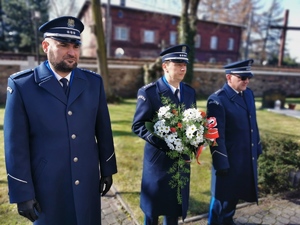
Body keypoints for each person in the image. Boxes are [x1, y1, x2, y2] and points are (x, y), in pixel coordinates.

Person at [4, 16, 117, 225]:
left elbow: (103, 129)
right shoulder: (22, 85)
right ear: (46, 46)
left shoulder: (93, 83)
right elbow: (15, 145)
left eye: (76, 45)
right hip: (48, 185)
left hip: (87, 179)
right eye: (63, 45)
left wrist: (108, 168)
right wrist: (22, 191)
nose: (72, 52)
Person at [132, 44, 196, 225]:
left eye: (184, 63)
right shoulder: (149, 92)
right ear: (165, 66)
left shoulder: (189, 92)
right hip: (158, 161)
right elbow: (138, 125)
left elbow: (192, 123)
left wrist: (194, 142)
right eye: (177, 63)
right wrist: (164, 141)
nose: (183, 67)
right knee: (153, 209)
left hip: (181, 160)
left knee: (175, 206)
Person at [206, 59, 262, 225]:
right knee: (221, 202)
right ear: (229, 77)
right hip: (228, 161)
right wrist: (221, 162)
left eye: (248, 77)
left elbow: (253, 123)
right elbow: (214, 135)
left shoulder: (248, 94)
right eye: (242, 77)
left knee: (232, 201)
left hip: (244, 158)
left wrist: (257, 147)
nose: (246, 81)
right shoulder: (217, 100)